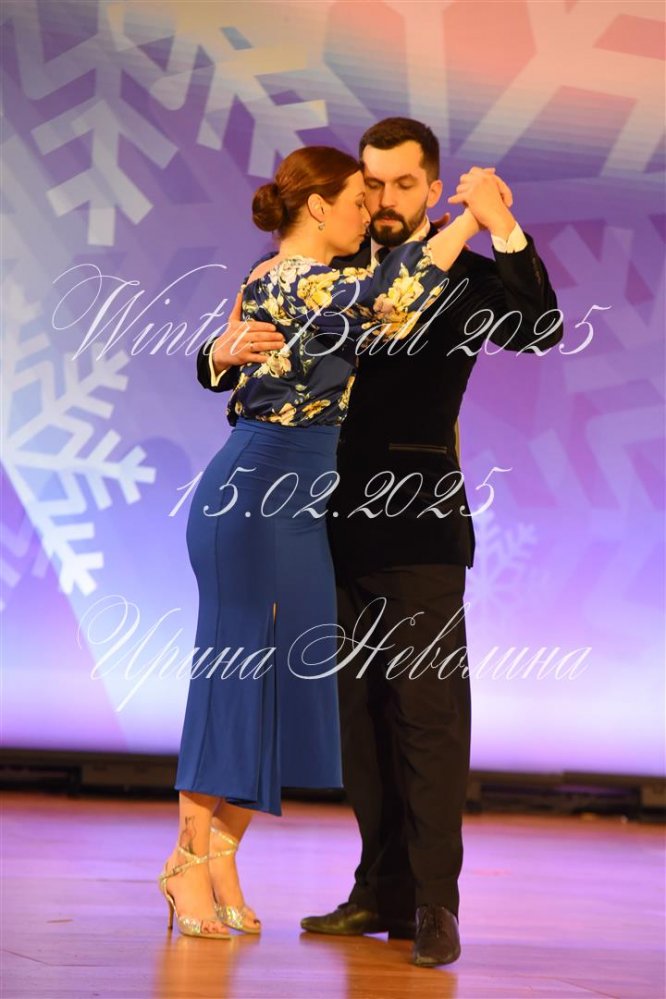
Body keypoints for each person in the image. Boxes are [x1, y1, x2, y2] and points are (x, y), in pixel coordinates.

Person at [198, 119, 562, 965]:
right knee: (356, 722)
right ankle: (380, 887)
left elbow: (541, 327)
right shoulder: (326, 263)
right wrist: (215, 355)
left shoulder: (463, 277)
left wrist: (501, 224)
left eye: (403, 184)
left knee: (426, 717)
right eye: (372, 184)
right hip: (318, 522)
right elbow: (248, 359)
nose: (385, 199)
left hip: (418, 524)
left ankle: (435, 903)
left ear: (432, 189)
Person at [161, 144, 482, 941]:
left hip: (303, 505)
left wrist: (222, 356)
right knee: (234, 675)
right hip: (254, 494)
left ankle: (224, 855)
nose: (365, 214)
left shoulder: (317, 282)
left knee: (279, 683)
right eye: (355, 201)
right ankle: (185, 861)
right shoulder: (295, 278)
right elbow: (394, 294)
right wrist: (473, 218)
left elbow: (389, 309)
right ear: (317, 207)